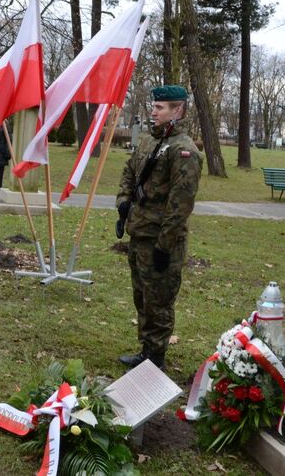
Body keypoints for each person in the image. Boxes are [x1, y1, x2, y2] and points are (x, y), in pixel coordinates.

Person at [115, 85, 202, 369]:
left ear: (177, 110)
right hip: (139, 232)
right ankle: (146, 349)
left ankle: (155, 357)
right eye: (154, 106)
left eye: (160, 107)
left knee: (159, 300)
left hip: (161, 241)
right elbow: (129, 171)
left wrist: (165, 246)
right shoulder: (149, 141)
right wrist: (124, 203)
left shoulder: (183, 150)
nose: (153, 111)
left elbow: (180, 206)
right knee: (141, 295)